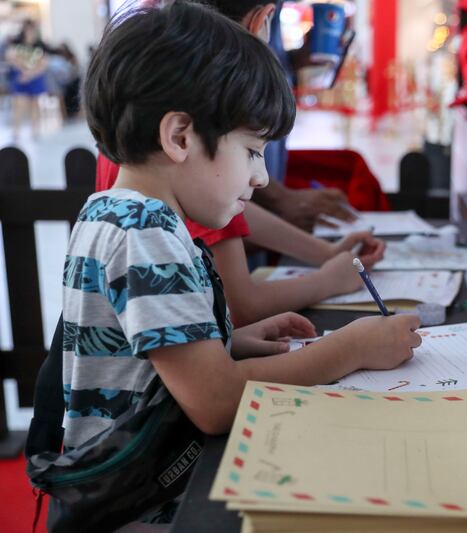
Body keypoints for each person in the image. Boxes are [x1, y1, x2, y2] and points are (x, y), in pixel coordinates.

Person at [69, 2, 420, 526]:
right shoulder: (147, 232)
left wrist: (225, 342)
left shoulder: (115, 212)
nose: (261, 179)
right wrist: (351, 349)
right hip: (150, 504)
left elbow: (136, 353)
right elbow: (215, 403)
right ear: (180, 137)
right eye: (253, 151)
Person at [95, 0, 378, 327]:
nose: (261, 179)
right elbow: (222, 356)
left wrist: (325, 255)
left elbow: (233, 216)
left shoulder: (155, 141)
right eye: (250, 152)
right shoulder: (154, 231)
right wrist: (349, 340)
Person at [5, 19, 50, 140]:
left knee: (35, 104)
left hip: (35, 78)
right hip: (20, 78)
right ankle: (16, 131)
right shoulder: (16, 42)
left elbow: (44, 63)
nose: (30, 31)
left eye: (32, 29)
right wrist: (23, 71)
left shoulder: (41, 44)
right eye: (28, 29)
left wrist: (31, 74)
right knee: (18, 104)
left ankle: (35, 130)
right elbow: (10, 58)